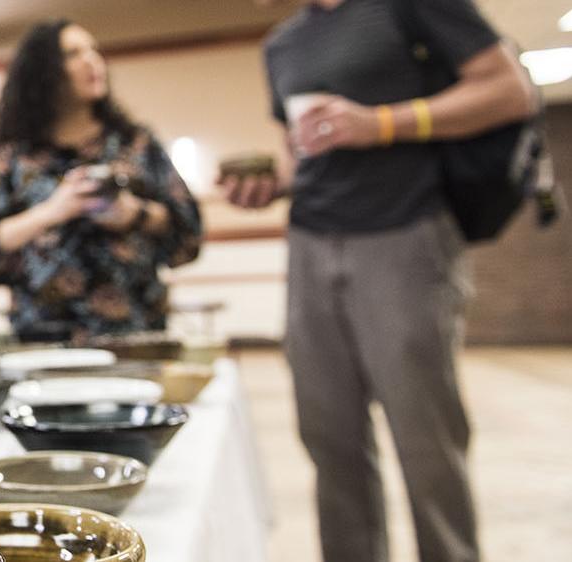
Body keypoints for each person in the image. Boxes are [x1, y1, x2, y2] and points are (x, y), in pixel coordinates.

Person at [223, 1, 537, 561]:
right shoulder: (282, 44)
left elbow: (509, 90)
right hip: (310, 242)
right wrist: (270, 186)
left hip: (404, 231)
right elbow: (299, 153)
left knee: (426, 440)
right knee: (328, 437)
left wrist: (385, 122)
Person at [0, 19, 204, 344]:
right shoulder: (14, 158)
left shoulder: (134, 144)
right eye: (73, 53)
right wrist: (53, 210)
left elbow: (187, 229)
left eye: (94, 50)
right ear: (44, 71)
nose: (92, 61)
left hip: (133, 333)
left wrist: (132, 213)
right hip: (45, 337)